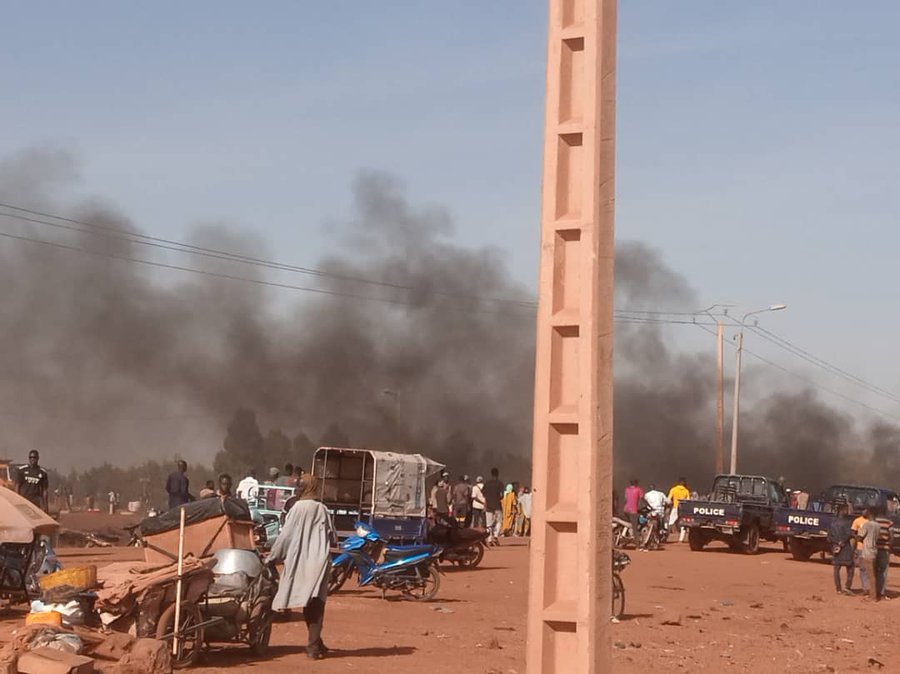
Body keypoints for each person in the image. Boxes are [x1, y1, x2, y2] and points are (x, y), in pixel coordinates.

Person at [268, 474, 335, 660]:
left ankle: (313, 645)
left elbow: (286, 536)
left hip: (301, 560)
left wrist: (273, 557)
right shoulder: (322, 509)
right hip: (319, 561)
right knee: (317, 602)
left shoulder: (297, 509)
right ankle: (316, 643)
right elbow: (331, 536)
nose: (297, 491)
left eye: (299, 487)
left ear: (305, 488)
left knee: (308, 603)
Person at [827, 503, 855, 594]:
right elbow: (849, 534)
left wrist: (836, 542)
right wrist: (842, 541)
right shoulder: (848, 523)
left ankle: (838, 589)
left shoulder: (832, 522)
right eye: (846, 510)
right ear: (842, 511)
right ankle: (847, 586)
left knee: (836, 569)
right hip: (845, 547)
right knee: (850, 567)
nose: (847, 512)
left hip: (835, 547)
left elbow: (829, 537)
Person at [855, 508, 880, 601]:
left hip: (867, 551)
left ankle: (873, 597)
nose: (863, 513)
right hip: (874, 550)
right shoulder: (877, 525)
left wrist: (854, 536)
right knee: (873, 574)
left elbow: (859, 537)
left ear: (869, 513)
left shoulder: (867, 525)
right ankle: (873, 595)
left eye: (865, 511)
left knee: (870, 575)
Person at [483, 468, 504, 546]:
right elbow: (501, 495)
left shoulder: (487, 483)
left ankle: (489, 538)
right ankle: (495, 536)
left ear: (491, 474)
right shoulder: (500, 483)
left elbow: (484, 494)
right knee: (499, 521)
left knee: (489, 524)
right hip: (497, 506)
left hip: (488, 506)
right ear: (497, 474)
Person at [851, 509, 870, 595]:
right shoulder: (857, 521)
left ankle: (870, 588)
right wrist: (858, 538)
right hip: (861, 548)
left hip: (870, 549)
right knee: (863, 569)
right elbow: (853, 532)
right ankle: (865, 588)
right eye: (863, 511)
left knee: (870, 569)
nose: (865, 512)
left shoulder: (871, 522)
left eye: (866, 511)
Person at [667, 478, 691, 543]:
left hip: (675, 508)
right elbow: (688, 501)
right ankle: (681, 539)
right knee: (683, 524)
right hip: (683, 509)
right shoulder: (686, 491)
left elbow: (668, 500)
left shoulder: (673, 489)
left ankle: (665, 537)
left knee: (670, 522)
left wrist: (669, 504)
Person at [875, 515, 893, 600]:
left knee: (873, 571)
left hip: (873, 549)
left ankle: (873, 592)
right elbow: (891, 536)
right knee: (883, 572)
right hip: (884, 549)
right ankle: (881, 593)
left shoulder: (873, 521)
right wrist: (890, 545)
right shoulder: (888, 522)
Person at [623, 478, 644, 551]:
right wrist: (649, 506)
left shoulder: (627, 489)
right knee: (635, 528)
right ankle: (637, 546)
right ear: (636, 483)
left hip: (626, 510)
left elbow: (625, 499)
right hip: (633, 511)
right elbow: (642, 499)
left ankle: (629, 536)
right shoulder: (638, 489)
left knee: (630, 524)